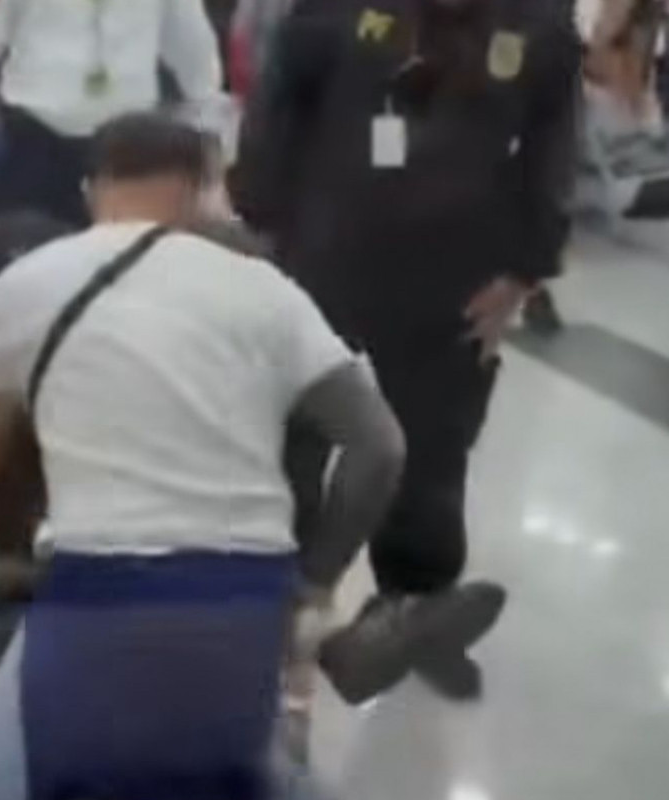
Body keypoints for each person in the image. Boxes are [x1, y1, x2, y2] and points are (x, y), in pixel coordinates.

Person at [0, 113, 508, 800]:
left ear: (90, 190)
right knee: (232, 765)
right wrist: (314, 584)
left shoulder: (22, 288)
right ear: (205, 185)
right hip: (243, 601)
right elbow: (379, 447)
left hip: (95, 598)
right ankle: (322, 657)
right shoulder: (265, 288)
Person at [234, 0, 579, 699]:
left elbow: (554, 146)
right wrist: (263, 218)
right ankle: (269, 607)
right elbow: (280, 103)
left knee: (432, 454)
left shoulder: (538, 21)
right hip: (326, 251)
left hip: (456, 274)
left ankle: (415, 613)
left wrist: (525, 267)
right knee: (293, 438)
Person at [0, 0, 233, 225]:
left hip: (128, 152)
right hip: (32, 144)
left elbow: (197, 58)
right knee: (24, 267)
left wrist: (213, 140)